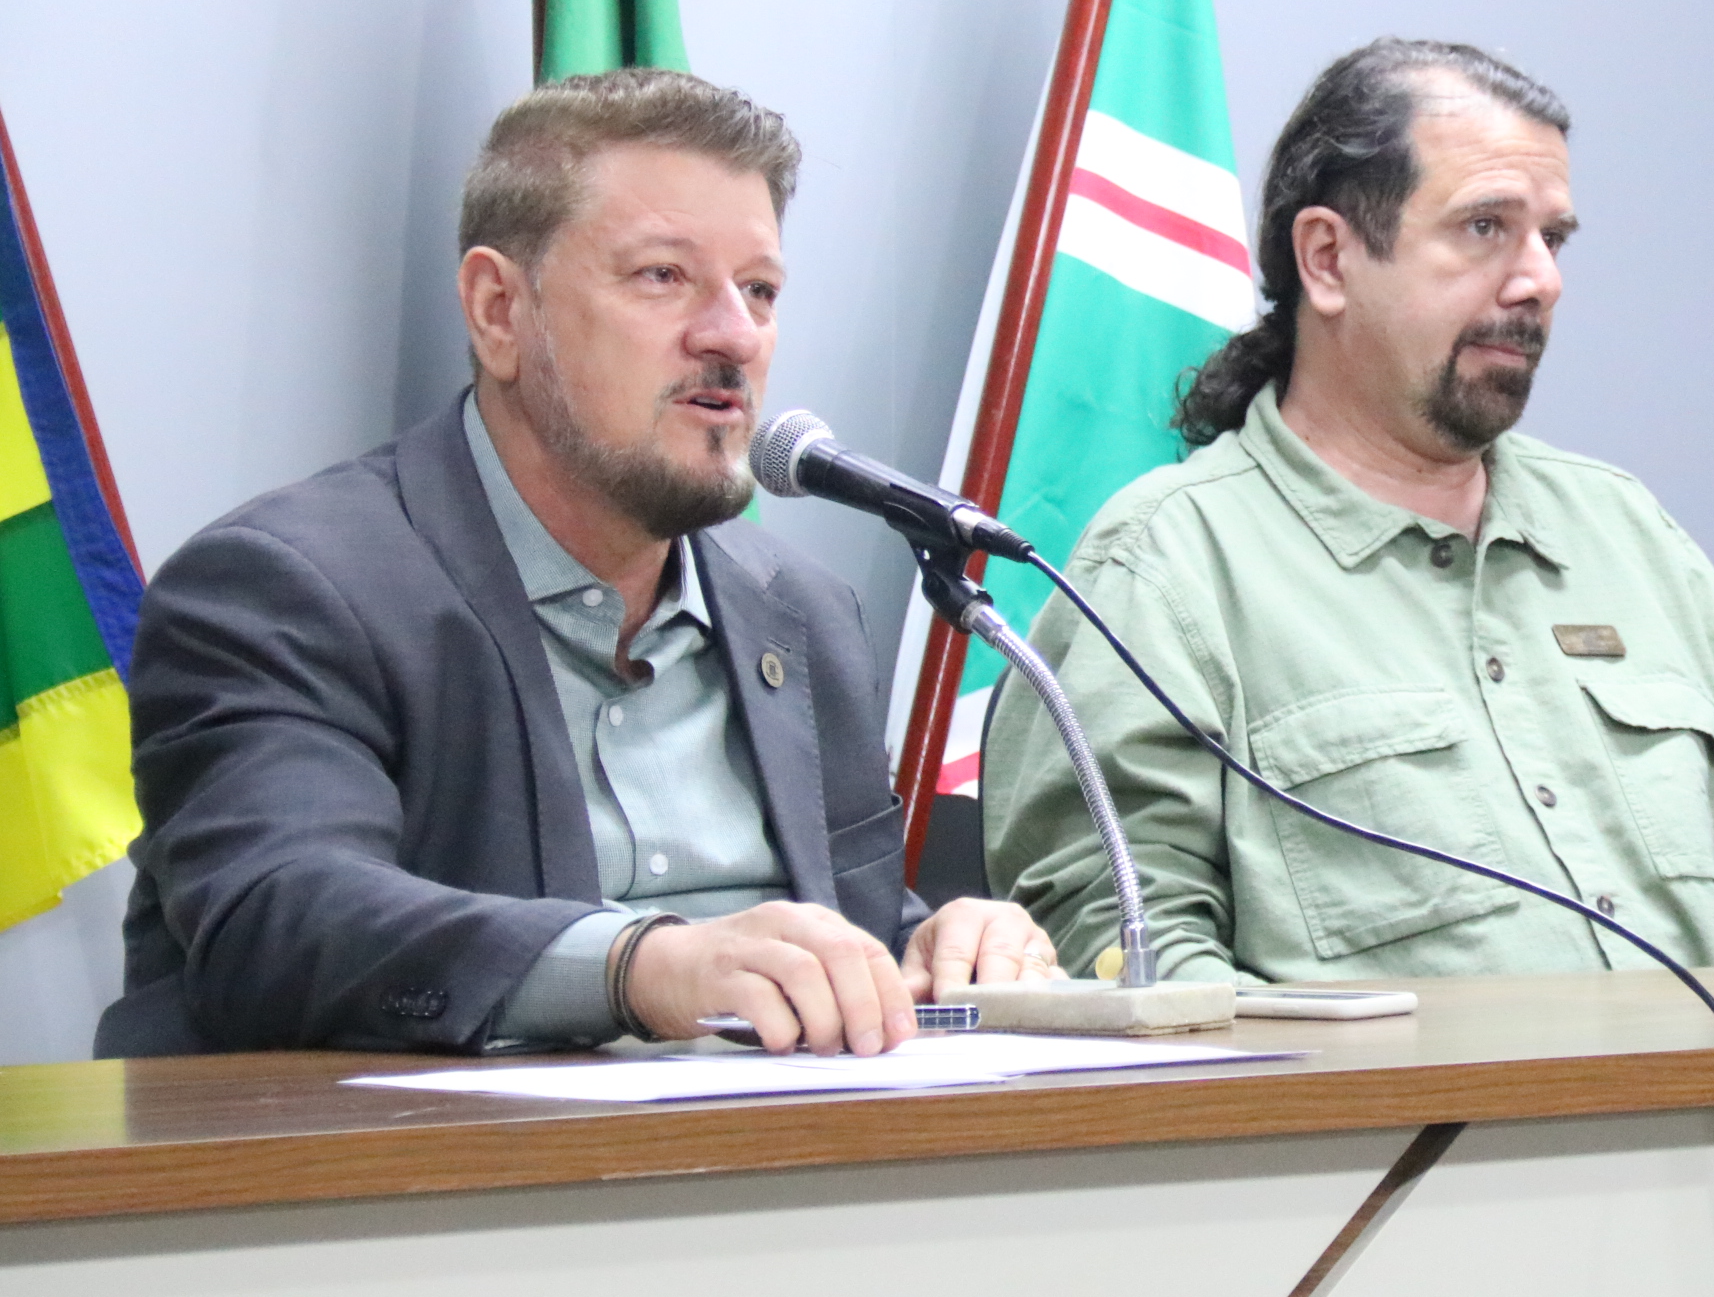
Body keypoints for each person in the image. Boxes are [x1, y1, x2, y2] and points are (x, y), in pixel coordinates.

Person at [101, 70, 1058, 1056]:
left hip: (781, 1147)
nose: (733, 335)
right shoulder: (285, 588)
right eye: (663, 276)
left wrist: (935, 947)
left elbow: (833, 942)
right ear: (499, 311)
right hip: (443, 1153)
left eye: (760, 290)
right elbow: (280, 917)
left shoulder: (803, 612)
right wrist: (640, 968)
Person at [976, 38, 1714, 981]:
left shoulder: (1629, 534)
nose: (1541, 280)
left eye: (1552, 238)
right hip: (1379, 1086)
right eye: (1485, 227)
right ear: (1328, 259)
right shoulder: (1163, 567)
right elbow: (1134, 950)